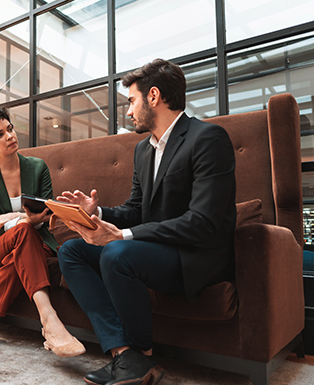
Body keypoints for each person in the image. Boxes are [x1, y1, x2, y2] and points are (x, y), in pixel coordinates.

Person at [57, 59, 236, 385]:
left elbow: (203, 222)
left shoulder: (208, 138)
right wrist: (98, 213)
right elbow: (138, 209)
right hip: (153, 251)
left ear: (153, 96)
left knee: (115, 253)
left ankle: (143, 355)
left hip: (193, 255)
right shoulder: (143, 150)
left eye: (132, 101)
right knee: (71, 251)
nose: (128, 112)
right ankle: (125, 354)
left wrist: (122, 236)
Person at [0, 106, 85, 358]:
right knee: (24, 230)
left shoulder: (38, 168)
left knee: (21, 247)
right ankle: (49, 320)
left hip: (37, 240)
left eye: (10, 129)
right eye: (0, 135)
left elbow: (48, 213)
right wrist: (22, 218)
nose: (10, 136)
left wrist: (13, 217)